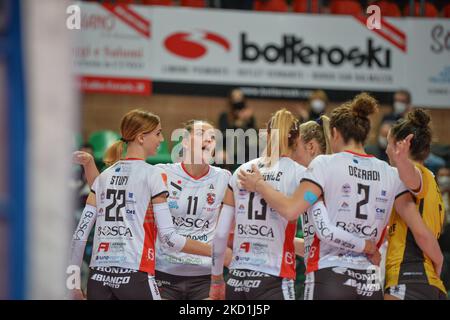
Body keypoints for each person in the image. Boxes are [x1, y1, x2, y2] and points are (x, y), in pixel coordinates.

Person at [237, 93, 440, 300]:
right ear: (366, 134)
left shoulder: (324, 165)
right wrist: (438, 260)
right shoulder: (390, 173)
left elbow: (293, 211)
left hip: (330, 276)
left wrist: (260, 185)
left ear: (334, 133)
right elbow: (418, 229)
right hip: (370, 281)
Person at [209, 109, 378, 300]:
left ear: (267, 135)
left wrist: (216, 279)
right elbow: (325, 230)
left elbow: (221, 233)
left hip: (237, 279)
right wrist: (366, 246)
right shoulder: (303, 175)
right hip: (275, 278)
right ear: (297, 139)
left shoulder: (242, 171)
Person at [75, 119, 233, 300]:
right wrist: (89, 164)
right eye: (201, 135)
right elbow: (106, 192)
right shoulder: (160, 172)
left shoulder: (224, 178)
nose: (208, 140)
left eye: (213, 137)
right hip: (163, 274)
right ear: (185, 141)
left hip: (204, 277)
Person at [384, 109, 447, 300]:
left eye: (389, 143)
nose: (387, 150)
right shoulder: (433, 183)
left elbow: (412, 177)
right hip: (430, 284)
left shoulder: (417, 174)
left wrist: (401, 160)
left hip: (409, 277)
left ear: (400, 145)